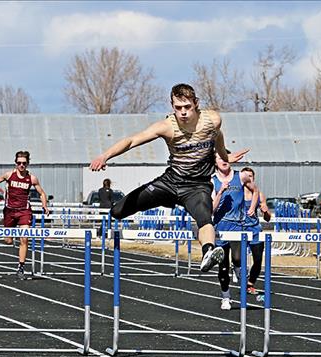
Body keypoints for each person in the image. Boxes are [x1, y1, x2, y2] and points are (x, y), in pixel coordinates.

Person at [90, 83, 248, 272]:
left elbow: (217, 136)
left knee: (205, 218)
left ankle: (209, 252)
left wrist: (224, 157)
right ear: (172, 106)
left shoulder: (212, 120)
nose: (183, 112)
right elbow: (132, 140)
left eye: (187, 107)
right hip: (170, 183)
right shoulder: (166, 126)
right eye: (178, 108)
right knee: (117, 212)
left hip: (197, 187)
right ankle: (163, 201)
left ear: (196, 103)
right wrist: (105, 156)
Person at [0, 150, 50, 279]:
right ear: (15, 163)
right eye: (19, 163)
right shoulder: (9, 175)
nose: (21, 165)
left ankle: (21, 267)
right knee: (8, 240)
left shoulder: (32, 178)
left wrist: (44, 205)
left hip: (24, 211)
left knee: (24, 238)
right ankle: (13, 238)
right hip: (9, 211)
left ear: (28, 164)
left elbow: (42, 193)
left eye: (24, 163)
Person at [212, 154, 258, 310]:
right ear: (215, 163)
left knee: (238, 259)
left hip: (237, 225)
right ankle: (226, 297)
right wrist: (220, 192)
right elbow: (212, 208)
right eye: (220, 158)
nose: (224, 161)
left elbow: (255, 190)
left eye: (226, 158)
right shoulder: (213, 181)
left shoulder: (241, 176)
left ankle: (240, 274)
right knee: (223, 266)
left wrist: (252, 207)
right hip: (220, 227)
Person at [240, 167, 271, 296]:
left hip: (255, 230)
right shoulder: (237, 193)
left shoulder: (259, 194)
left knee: (258, 260)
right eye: (246, 176)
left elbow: (268, 218)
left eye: (251, 176)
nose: (249, 178)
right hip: (239, 229)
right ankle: (239, 277)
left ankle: (250, 283)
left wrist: (265, 211)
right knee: (238, 259)